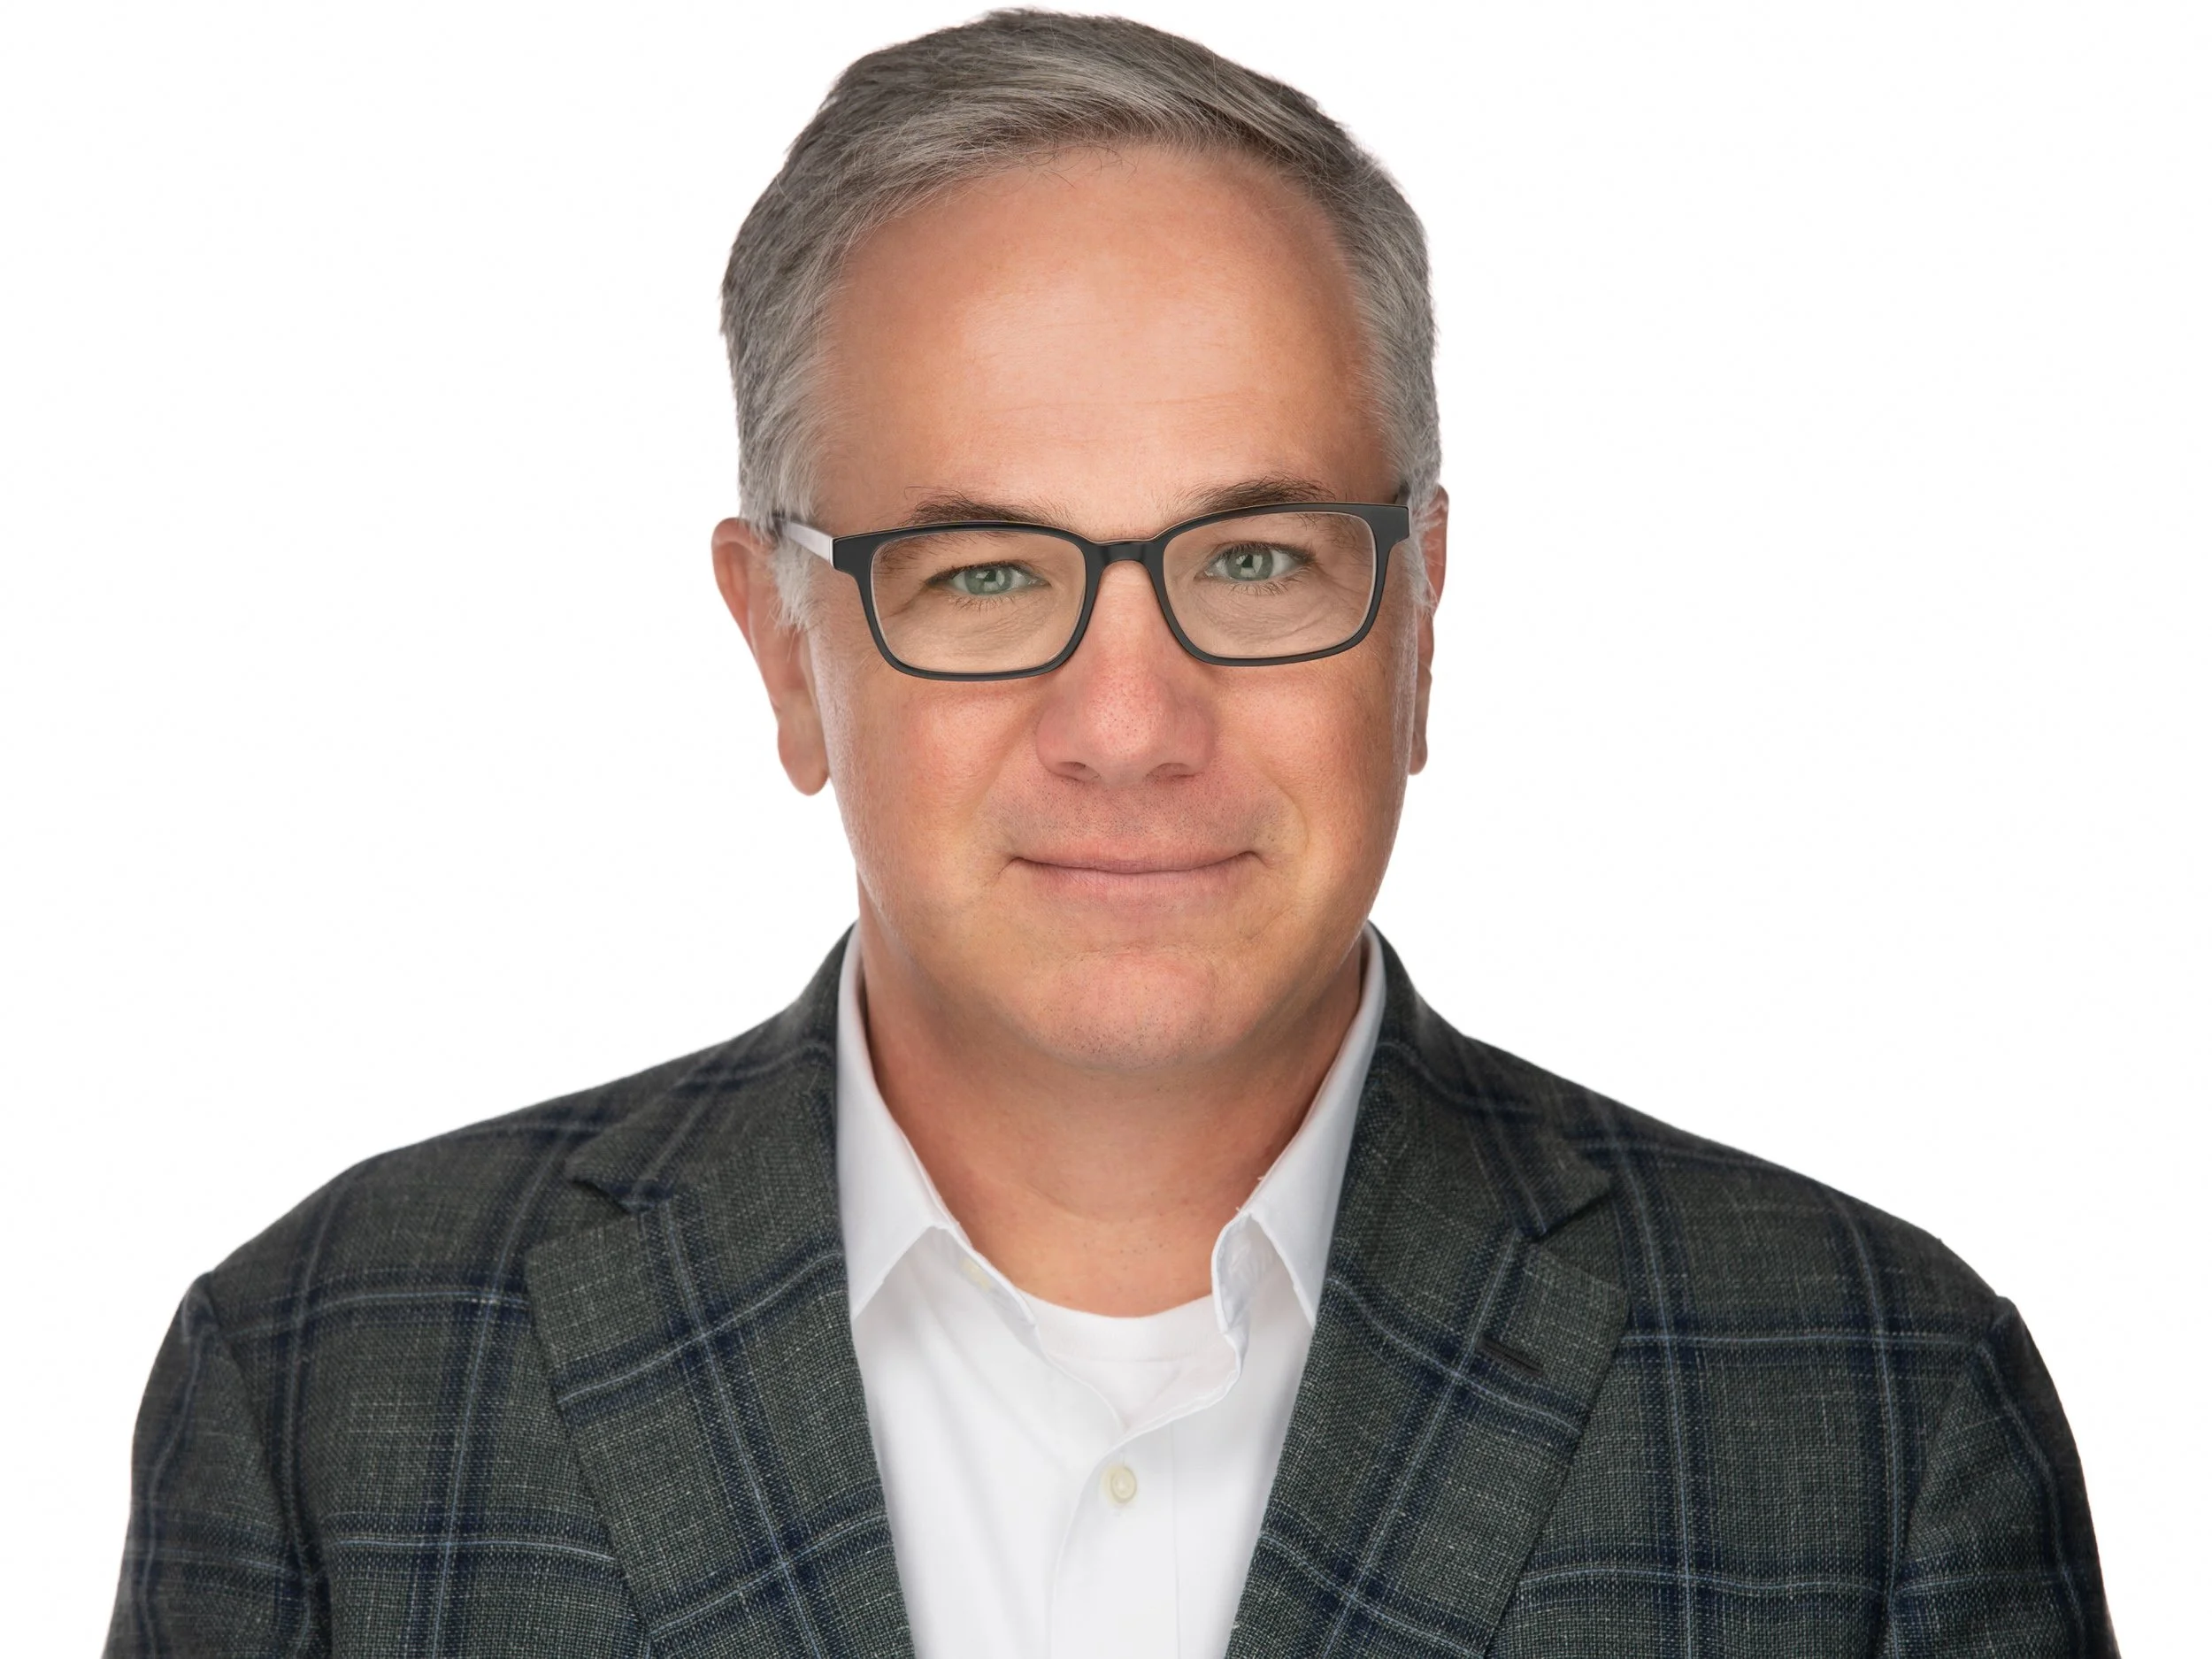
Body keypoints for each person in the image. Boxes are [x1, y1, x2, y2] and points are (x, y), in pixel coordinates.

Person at [106, 12, 2112, 1656]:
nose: (1130, 724)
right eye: (983, 576)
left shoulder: (1876, 1408)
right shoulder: (327, 1388)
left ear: (1418, 618)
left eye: (1254, 557)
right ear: (785, 650)